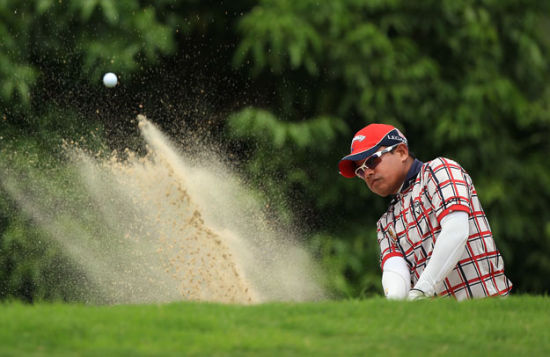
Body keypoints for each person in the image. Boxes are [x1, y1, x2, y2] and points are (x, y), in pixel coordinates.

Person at [338, 123, 512, 300]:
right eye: (360, 171)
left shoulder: (440, 170)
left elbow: (456, 231)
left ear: (401, 152)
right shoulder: (385, 223)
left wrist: (421, 290)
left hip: (486, 309)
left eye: (372, 161)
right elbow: (395, 274)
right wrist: (395, 306)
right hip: (436, 323)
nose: (367, 173)